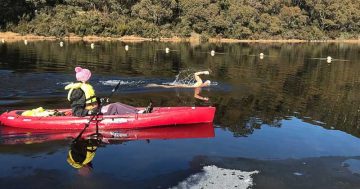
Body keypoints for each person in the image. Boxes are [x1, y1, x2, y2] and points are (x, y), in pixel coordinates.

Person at [65, 67, 142, 117]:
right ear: (85, 79)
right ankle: (137, 115)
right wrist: (89, 112)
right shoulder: (78, 91)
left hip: (96, 109)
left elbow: (90, 100)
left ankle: (138, 111)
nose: (90, 79)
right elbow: (76, 111)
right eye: (88, 77)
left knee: (117, 104)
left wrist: (100, 100)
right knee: (114, 107)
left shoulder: (85, 87)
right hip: (91, 113)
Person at [145, 71, 211, 88]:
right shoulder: (200, 83)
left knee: (169, 85)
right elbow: (195, 74)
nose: (207, 84)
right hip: (185, 86)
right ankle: (154, 85)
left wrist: (204, 72)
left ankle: (154, 85)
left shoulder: (201, 83)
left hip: (186, 86)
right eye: (208, 83)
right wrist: (204, 72)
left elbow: (195, 74)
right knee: (168, 87)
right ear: (207, 83)